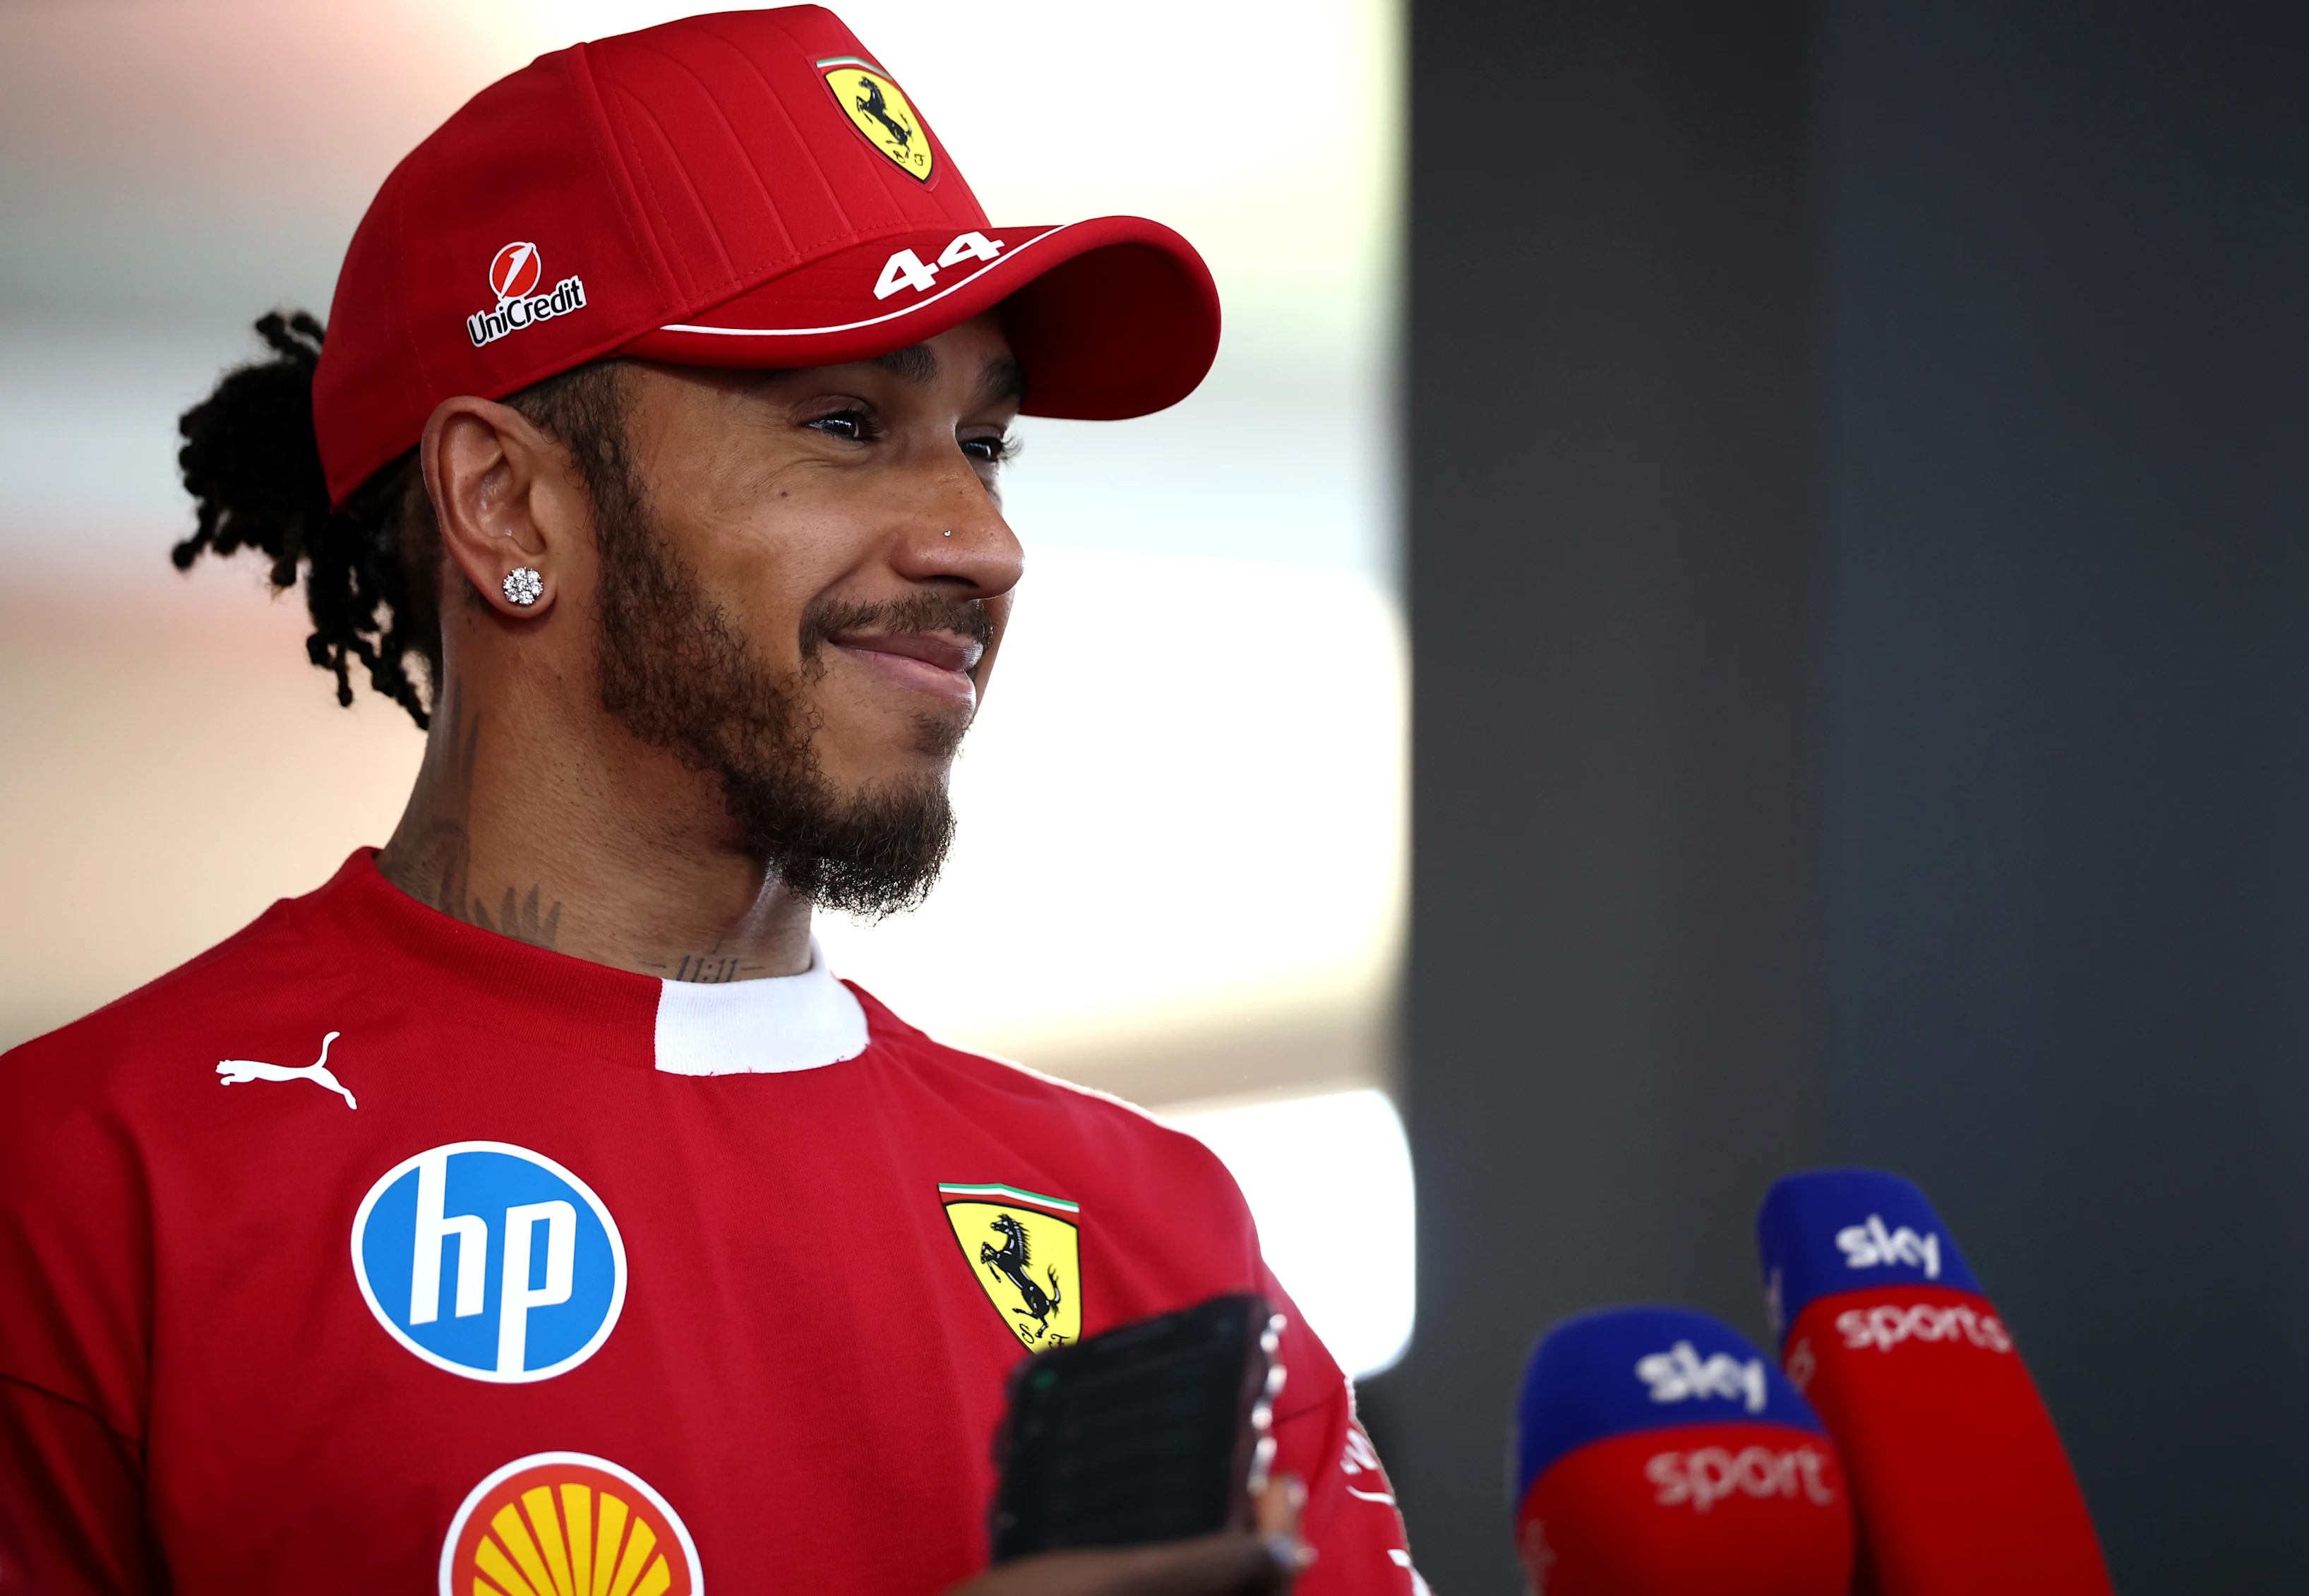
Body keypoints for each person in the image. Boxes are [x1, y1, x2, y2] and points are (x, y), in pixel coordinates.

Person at [0, 9, 1425, 1594]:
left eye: (984, 442)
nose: (982, 540)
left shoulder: (1166, 1242)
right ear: (508, 498)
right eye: (844, 423)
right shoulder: (83, 1186)